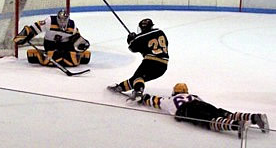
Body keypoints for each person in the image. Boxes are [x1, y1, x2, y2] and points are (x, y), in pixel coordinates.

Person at [137, 83, 270, 138]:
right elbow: (202, 102)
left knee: (209, 121)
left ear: (174, 92)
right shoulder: (193, 96)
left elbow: (156, 101)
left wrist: (144, 98)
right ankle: (254, 117)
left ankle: (236, 125)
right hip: (202, 103)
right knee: (223, 113)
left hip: (186, 110)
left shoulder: (170, 99)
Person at [108, 18, 169, 100]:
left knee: (138, 77)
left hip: (150, 62)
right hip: (163, 66)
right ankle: (120, 87)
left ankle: (138, 92)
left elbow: (132, 48)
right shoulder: (160, 32)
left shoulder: (141, 36)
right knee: (138, 79)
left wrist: (131, 39)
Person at [13, 9, 91, 67]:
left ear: (68, 20)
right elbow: (34, 28)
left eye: (64, 20)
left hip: (64, 45)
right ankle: (45, 55)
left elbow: (77, 38)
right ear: (57, 18)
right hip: (50, 44)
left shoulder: (72, 26)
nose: (62, 22)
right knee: (51, 56)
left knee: (71, 59)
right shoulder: (49, 22)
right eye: (61, 20)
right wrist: (23, 36)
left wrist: (82, 43)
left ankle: (57, 55)